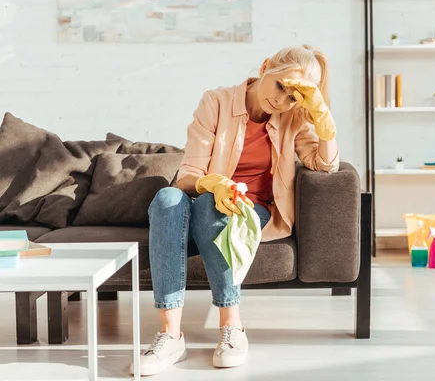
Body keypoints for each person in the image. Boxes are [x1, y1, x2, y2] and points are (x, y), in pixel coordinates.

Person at [132, 45, 340, 376]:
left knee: (209, 211)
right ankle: (170, 335)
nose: (282, 100)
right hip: (207, 195)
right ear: (266, 67)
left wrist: (323, 120)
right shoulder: (215, 102)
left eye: (293, 97)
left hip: (251, 209)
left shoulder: (294, 117)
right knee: (167, 199)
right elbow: (189, 176)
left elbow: (324, 165)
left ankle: (232, 326)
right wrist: (216, 184)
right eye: (281, 86)